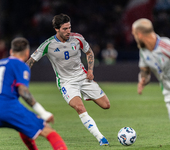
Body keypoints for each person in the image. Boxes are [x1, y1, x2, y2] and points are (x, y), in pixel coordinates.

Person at [26, 13, 110, 146]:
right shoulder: (48, 44)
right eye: (65, 29)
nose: (68, 31)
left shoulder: (78, 38)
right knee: (80, 107)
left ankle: (87, 94)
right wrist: (20, 75)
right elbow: (31, 61)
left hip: (83, 77)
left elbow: (89, 52)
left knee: (106, 105)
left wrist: (90, 70)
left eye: (69, 27)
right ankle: (101, 138)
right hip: (66, 82)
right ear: (56, 29)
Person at [0, 37, 68, 150]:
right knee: (48, 130)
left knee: (24, 128)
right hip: (7, 108)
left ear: (11, 52)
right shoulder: (21, 65)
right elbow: (23, 91)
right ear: (27, 53)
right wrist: (43, 112)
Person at [132, 18, 170, 135]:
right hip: (169, 94)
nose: (134, 38)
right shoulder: (143, 51)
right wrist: (143, 80)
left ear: (140, 34)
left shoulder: (167, 46)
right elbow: (145, 70)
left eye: (134, 35)